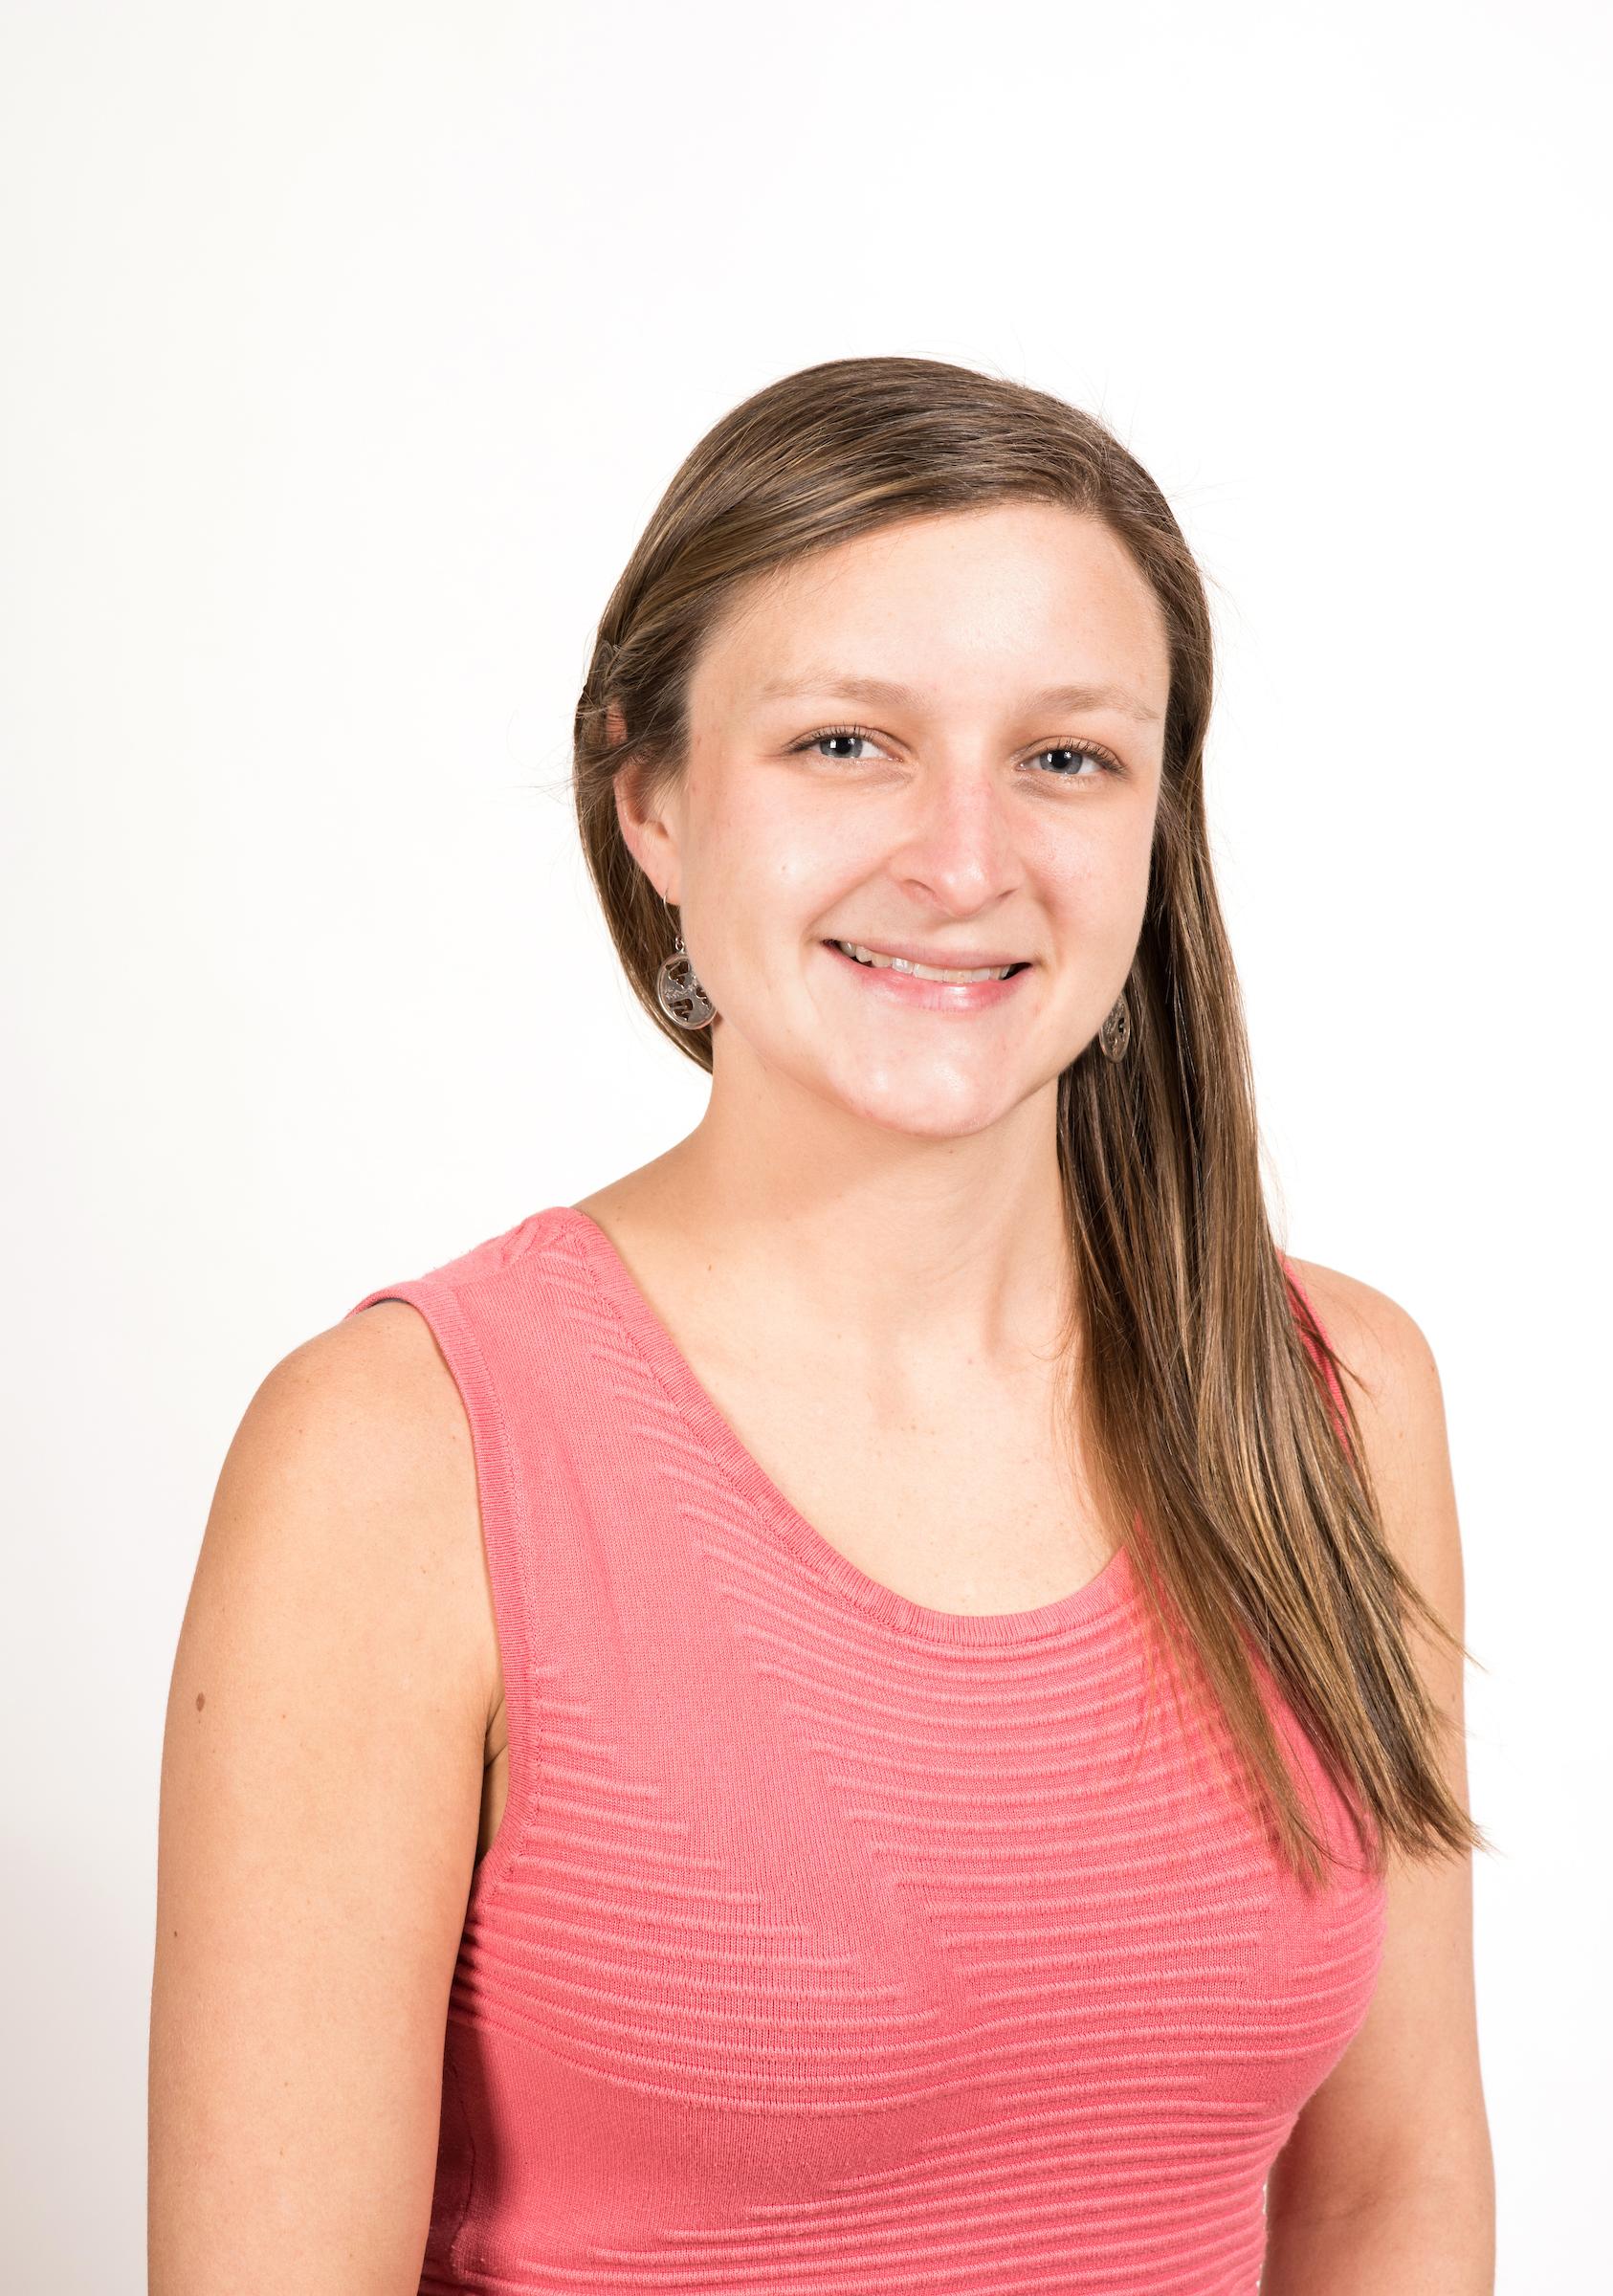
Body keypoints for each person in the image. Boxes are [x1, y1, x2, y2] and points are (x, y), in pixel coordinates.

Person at [149, 356, 1495, 2293]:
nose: (963, 862)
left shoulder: (1333, 1400)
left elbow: (1389, 2205)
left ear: (1154, 827)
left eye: (1065, 757)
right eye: (846, 744)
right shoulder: (401, 1459)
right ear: (654, 804)